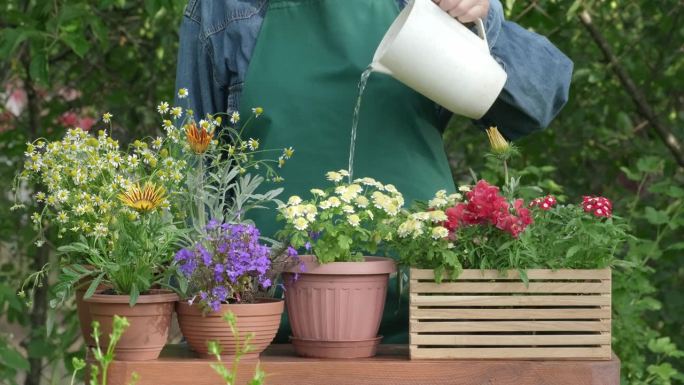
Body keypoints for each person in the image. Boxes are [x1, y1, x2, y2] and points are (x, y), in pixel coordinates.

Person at [174, 0, 573, 343]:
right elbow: (195, 173)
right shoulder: (226, 9)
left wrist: (484, 19)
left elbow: (539, 101)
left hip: (422, 310)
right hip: (262, 319)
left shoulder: (420, 6)